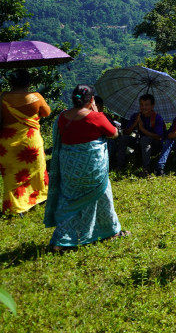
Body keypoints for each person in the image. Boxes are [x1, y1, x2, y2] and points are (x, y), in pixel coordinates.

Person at [44, 84, 128, 250]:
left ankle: (61, 240)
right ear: (91, 100)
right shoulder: (96, 117)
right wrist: (97, 113)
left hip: (69, 169)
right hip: (92, 169)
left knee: (69, 201)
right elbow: (114, 134)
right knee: (103, 197)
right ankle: (111, 231)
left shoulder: (62, 117)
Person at [1, 69, 51, 215]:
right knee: (36, 171)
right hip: (30, 142)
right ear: (28, 82)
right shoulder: (36, 97)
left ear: (10, 82)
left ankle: (14, 206)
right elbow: (46, 113)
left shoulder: (3, 98)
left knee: (11, 175)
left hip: (7, 143)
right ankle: (35, 199)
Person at [116, 93, 165, 175]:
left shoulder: (157, 118)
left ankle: (146, 169)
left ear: (152, 106)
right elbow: (125, 133)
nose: (143, 107)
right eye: (141, 105)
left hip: (155, 146)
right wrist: (134, 124)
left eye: (146, 105)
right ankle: (119, 166)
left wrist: (142, 129)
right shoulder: (136, 116)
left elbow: (159, 137)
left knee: (145, 139)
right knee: (123, 138)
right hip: (140, 144)